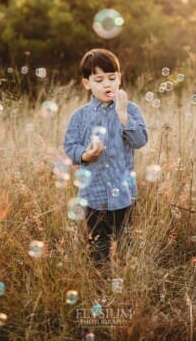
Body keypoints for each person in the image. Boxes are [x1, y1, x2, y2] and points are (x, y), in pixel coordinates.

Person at [63, 48, 148, 268]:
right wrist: (85, 154)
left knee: (126, 245)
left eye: (112, 78)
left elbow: (140, 140)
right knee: (98, 249)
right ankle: (101, 285)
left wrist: (122, 115)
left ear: (119, 79)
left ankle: (125, 281)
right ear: (87, 84)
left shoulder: (131, 110)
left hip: (124, 195)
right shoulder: (80, 116)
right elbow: (70, 147)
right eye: (99, 79)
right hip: (93, 196)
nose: (107, 84)